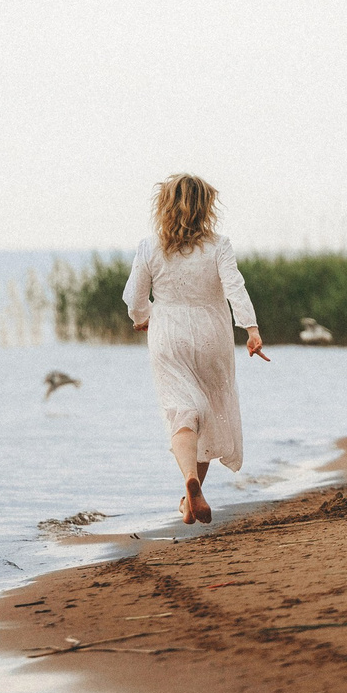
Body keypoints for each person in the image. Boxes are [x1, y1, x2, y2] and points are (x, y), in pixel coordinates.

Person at [124, 173, 269, 525]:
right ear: (206, 207)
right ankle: (191, 495)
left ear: (164, 205)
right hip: (211, 336)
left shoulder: (149, 247)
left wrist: (142, 318)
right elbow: (235, 288)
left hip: (167, 334)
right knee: (207, 412)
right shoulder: (219, 245)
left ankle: (189, 481)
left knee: (182, 413)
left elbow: (135, 297)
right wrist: (251, 329)